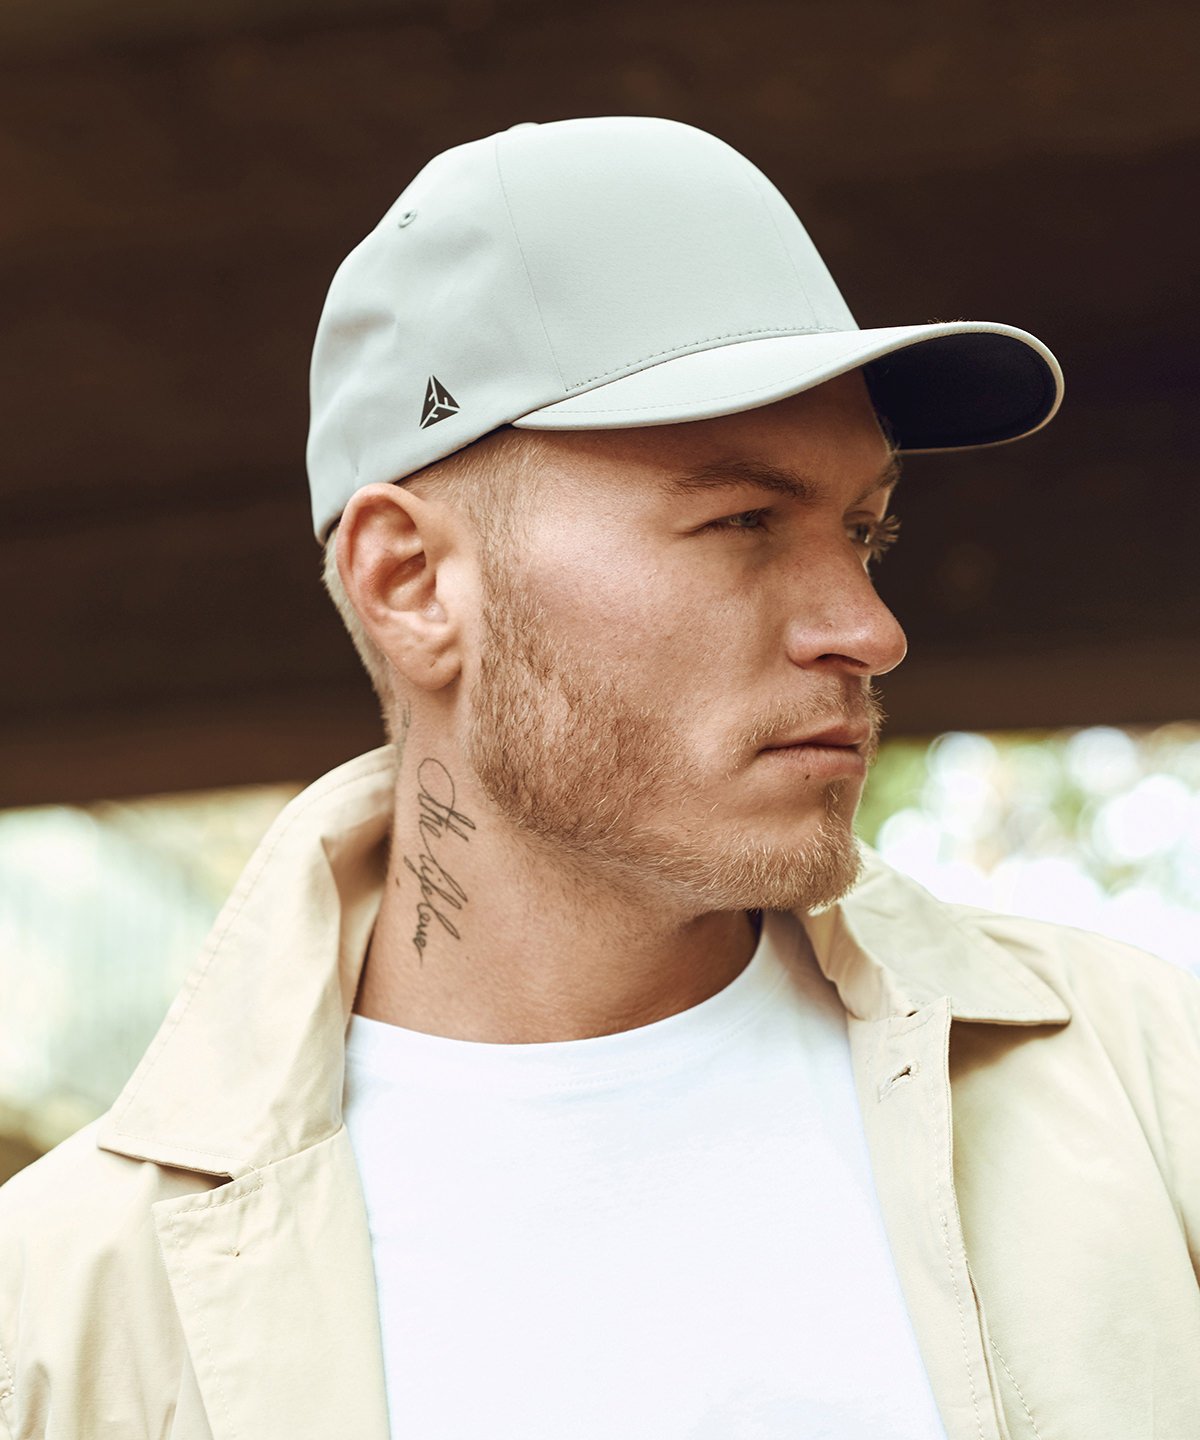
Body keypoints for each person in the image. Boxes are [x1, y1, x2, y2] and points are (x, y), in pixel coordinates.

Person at [0, 115, 1196, 1440]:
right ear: (413, 584)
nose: (869, 628)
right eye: (742, 522)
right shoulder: (60, 1313)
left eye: (866, 532)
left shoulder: (1149, 1087)